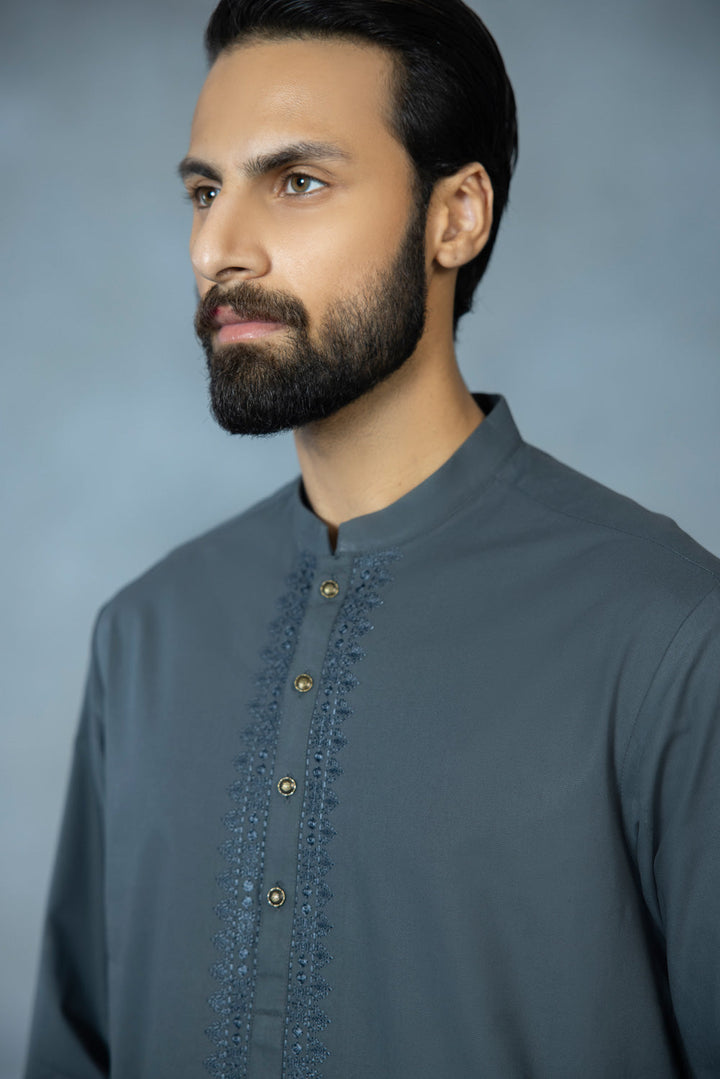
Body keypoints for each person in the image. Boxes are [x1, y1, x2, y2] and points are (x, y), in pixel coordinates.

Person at [25, 1, 720, 1076]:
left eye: (297, 181)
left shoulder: (671, 637)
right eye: (205, 191)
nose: (216, 248)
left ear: (457, 217)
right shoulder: (143, 637)